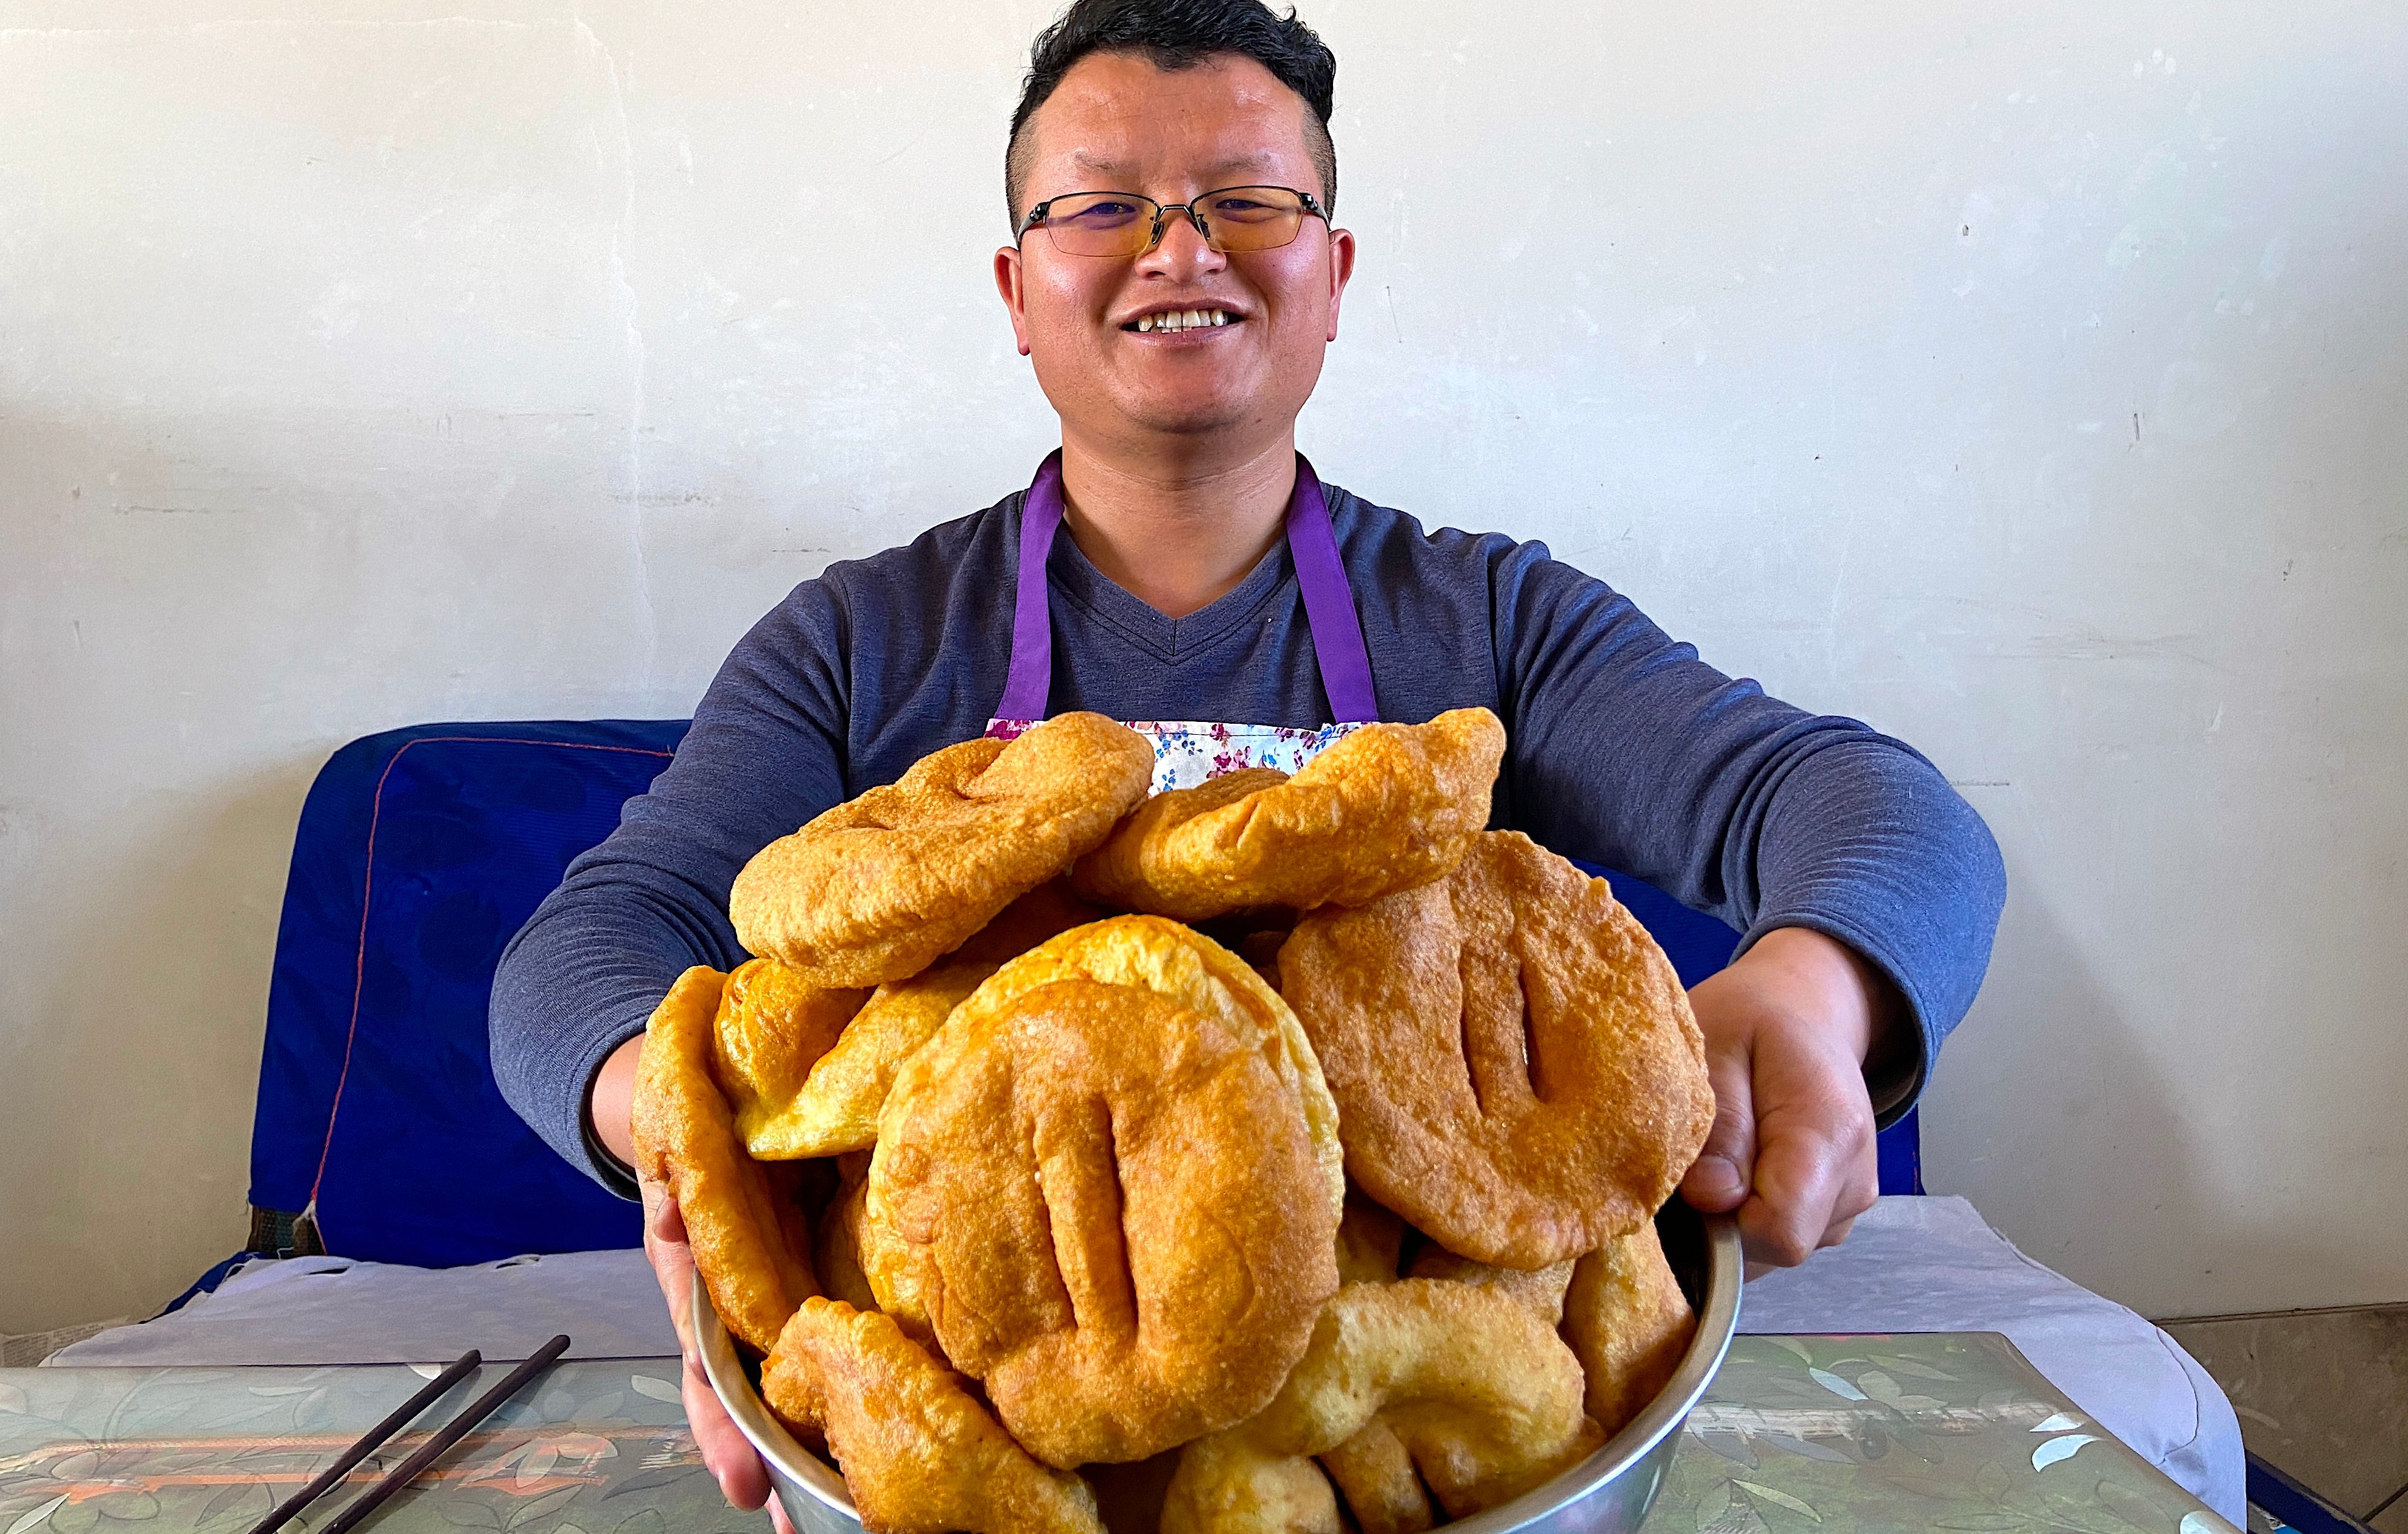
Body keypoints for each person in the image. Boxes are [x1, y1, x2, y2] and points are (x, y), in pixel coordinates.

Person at [490, 0, 2004, 1510]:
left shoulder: (1488, 621)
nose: (1181, 245)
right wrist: (695, 1157)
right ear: (1019, 292)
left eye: (1249, 200)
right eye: (1104, 207)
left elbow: (1879, 810)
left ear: (1332, 274)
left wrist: (1815, 986)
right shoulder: (862, 645)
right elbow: (591, 948)